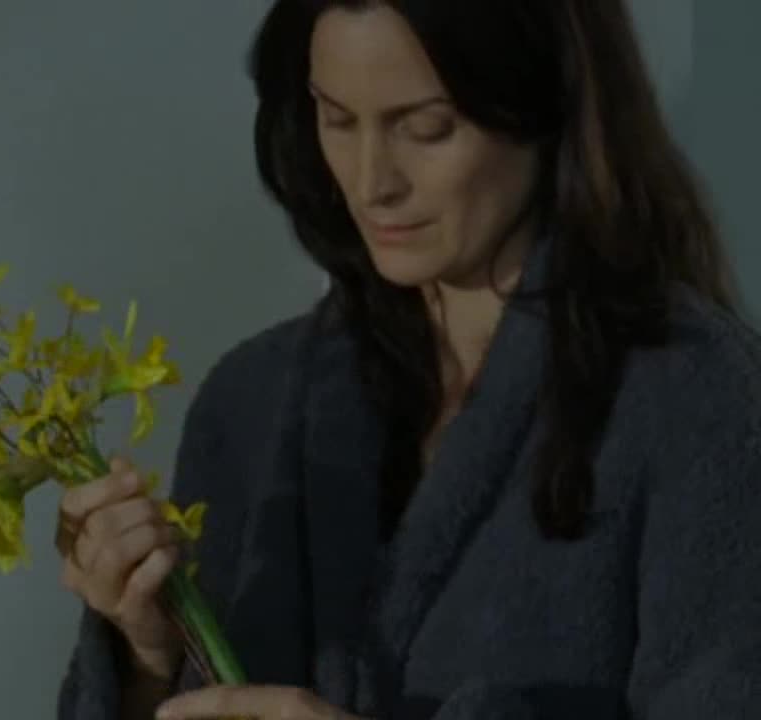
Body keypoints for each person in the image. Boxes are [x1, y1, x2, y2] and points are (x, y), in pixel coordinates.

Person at [56, 0, 761, 718]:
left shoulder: (696, 395)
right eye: (337, 119)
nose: (372, 182)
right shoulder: (249, 403)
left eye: (427, 127)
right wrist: (146, 657)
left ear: (543, 102)